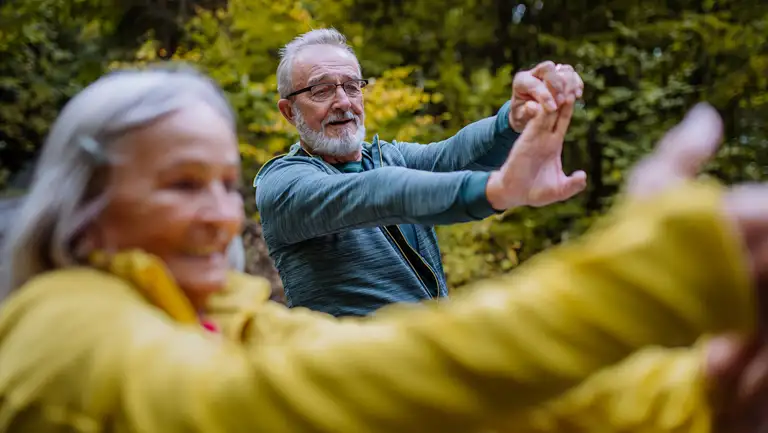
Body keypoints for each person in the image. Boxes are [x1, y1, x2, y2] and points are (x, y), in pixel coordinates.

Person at [0, 65, 767, 433]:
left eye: (352, 84)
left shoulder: (223, 311)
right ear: (87, 212)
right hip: (372, 379)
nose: (219, 213)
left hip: (407, 370)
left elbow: (438, 155)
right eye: (181, 184)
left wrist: (687, 394)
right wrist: (641, 278)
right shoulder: (62, 325)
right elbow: (246, 407)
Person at [254, 28, 586, 316]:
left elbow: (455, 154)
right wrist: (497, 189)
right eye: (321, 90)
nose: (343, 101)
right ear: (289, 111)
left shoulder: (389, 156)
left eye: (352, 86)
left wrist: (514, 119)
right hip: (354, 381)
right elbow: (377, 192)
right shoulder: (282, 184)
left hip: (431, 365)